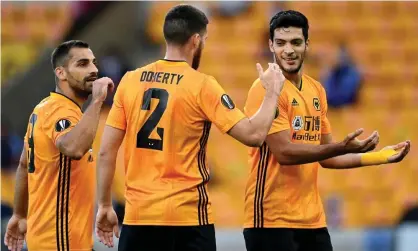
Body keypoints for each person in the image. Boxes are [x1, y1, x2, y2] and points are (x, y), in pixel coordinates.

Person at [94, 4, 284, 251]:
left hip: (139, 218)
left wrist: (105, 205)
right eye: (204, 39)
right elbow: (254, 135)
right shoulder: (202, 85)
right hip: (188, 219)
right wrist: (272, 93)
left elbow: (106, 152)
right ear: (196, 40)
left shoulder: (130, 81)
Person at [242, 10, 411, 251]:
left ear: (307, 44)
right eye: (280, 43)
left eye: (296, 42)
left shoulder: (316, 90)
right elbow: (285, 153)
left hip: (312, 220)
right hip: (271, 220)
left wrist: (380, 156)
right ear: (270, 45)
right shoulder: (265, 89)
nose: (288, 50)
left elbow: (329, 158)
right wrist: (339, 146)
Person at [3, 40, 114, 251]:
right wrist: (98, 101)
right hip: (60, 241)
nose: (94, 70)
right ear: (61, 73)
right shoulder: (60, 111)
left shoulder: (44, 108)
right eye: (83, 64)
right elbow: (73, 148)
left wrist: (19, 214)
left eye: (93, 63)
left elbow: (24, 166)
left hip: (54, 239)